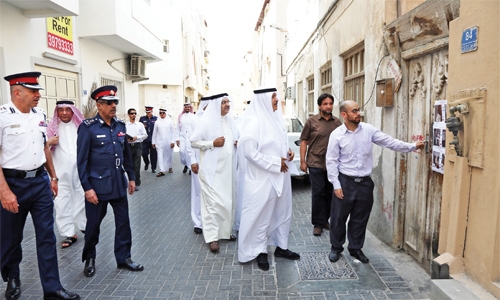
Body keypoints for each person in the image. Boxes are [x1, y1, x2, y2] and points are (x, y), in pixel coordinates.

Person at [0, 72, 80, 300]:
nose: (39, 95)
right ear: (17, 92)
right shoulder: (2, 116)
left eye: (38, 90)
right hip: (12, 183)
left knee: (47, 236)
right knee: (11, 238)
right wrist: (4, 192)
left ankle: (52, 288)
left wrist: (53, 177)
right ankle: (12, 277)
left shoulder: (40, 115)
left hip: (40, 183)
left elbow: (44, 148)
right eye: (33, 91)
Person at [325, 100, 425, 263]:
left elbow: (389, 142)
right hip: (345, 181)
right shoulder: (336, 135)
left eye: (359, 110)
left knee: (360, 217)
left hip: (364, 183)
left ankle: (356, 249)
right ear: (344, 114)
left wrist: (412, 146)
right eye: (354, 111)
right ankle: (336, 248)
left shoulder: (368, 130)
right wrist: (336, 185)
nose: (359, 114)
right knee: (338, 217)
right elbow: (331, 161)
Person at [77, 85, 144, 278]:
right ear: (99, 105)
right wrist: (87, 188)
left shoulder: (120, 126)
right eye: (108, 103)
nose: (113, 106)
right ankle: (89, 258)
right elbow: (81, 162)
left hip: (117, 183)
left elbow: (126, 156)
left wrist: (131, 177)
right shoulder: (88, 128)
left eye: (115, 102)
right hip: (97, 187)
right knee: (93, 225)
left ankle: (124, 258)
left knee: (123, 223)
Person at [237, 88, 300, 271]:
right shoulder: (253, 122)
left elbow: (278, 146)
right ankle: (260, 251)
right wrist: (274, 162)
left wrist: (287, 153)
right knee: (261, 216)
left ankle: (282, 246)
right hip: (262, 178)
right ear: (263, 99)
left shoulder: (275, 120)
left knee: (283, 212)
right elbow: (249, 152)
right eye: (272, 97)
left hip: (281, 175)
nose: (276, 100)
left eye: (276, 96)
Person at [190, 94, 238, 252]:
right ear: (216, 105)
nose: (226, 105)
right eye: (223, 103)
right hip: (211, 172)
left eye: (227, 102)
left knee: (226, 202)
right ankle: (212, 238)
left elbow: (236, 138)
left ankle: (225, 232)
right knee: (211, 205)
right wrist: (212, 143)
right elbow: (193, 141)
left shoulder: (230, 120)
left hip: (227, 171)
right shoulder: (206, 121)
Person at [299, 93, 342, 236]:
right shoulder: (311, 122)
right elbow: (304, 141)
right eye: (325, 104)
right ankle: (317, 223)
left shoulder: (337, 123)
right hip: (315, 162)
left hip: (332, 164)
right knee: (318, 193)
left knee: (330, 192)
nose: (328, 106)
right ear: (319, 106)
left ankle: (325, 220)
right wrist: (303, 161)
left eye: (330, 103)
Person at [47, 100, 86, 248]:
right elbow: (41, 148)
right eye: (60, 110)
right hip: (59, 174)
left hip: (80, 172)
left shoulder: (81, 127)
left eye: (67, 110)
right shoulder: (51, 129)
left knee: (81, 198)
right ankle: (69, 233)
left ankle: (84, 226)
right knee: (61, 202)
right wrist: (49, 142)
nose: (64, 113)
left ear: (73, 111)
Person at [186, 97, 211, 235]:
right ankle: (198, 223)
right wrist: (193, 161)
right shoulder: (195, 120)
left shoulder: (215, 120)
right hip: (197, 162)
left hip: (211, 164)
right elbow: (189, 142)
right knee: (197, 193)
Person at [126, 108, 148, 191]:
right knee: (130, 165)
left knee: (137, 165)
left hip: (137, 146)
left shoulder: (140, 125)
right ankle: (130, 181)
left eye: (135, 113)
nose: (133, 115)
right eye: (131, 113)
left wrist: (137, 137)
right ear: (128, 115)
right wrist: (127, 139)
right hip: (128, 146)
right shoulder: (125, 125)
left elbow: (145, 135)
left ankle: (137, 182)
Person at [152, 108, 176, 177]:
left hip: (168, 142)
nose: (162, 114)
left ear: (166, 113)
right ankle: (162, 170)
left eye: (163, 113)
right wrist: (153, 141)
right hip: (159, 142)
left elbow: (173, 132)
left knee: (169, 155)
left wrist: (172, 141)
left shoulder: (170, 121)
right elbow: (155, 132)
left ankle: (169, 166)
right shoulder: (157, 122)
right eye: (160, 113)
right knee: (160, 156)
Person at [177, 103, 195, 174]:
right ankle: (186, 164)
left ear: (190, 108)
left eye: (188, 107)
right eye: (186, 107)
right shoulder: (180, 117)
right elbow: (177, 128)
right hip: (182, 137)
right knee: (182, 151)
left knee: (190, 153)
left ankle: (190, 167)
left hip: (190, 137)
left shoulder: (193, 116)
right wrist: (177, 139)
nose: (187, 108)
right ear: (184, 108)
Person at [139, 106, 158, 173]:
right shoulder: (142, 118)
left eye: (149, 112)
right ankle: (147, 162)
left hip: (153, 140)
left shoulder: (156, 119)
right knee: (144, 153)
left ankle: (153, 168)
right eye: (147, 112)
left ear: (152, 111)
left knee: (154, 155)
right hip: (145, 140)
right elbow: (139, 128)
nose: (148, 113)